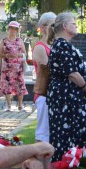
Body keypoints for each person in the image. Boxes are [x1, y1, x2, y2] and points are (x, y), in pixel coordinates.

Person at [47, 12, 86, 162]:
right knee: (66, 128)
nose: (76, 25)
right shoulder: (62, 45)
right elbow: (72, 73)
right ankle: (67, 159)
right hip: (65, 96)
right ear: (65, 26)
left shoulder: (61, 45)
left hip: (67, 94)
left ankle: (73, 158)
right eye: (74, 23)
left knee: (68, 128)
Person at [32, 12, 56, 143]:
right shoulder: (40, 48)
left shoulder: (54, 45)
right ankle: (37, 161)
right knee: (43, 133)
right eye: (52, 25)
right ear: (42, 27)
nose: (54, 28)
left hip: (53, 94)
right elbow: (50, 70)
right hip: (44, 93)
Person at [0, 20, 28, 111]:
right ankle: (8, 105)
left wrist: (19, 55)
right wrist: (7, 55)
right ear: (8, 29)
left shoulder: (20, 41)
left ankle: (20, 105)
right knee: (7, 85)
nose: (13, 30)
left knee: (20, 85)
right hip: (7, 67)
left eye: (15, 29)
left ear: (17, 30)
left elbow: (24, 53)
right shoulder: (4, 41)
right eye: (11, 28)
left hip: (18, 67)